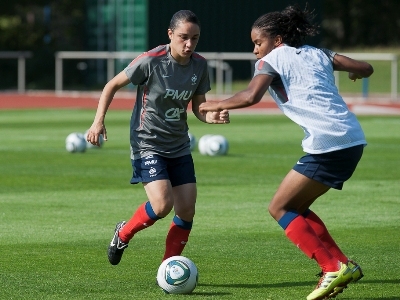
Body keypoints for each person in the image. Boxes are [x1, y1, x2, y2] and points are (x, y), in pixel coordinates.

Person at [199, 4, 373, 300]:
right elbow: (365, 68)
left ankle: (331, 268)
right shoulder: (319, 53)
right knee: (298, 208)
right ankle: (345, 265)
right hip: (352, 138)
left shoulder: (273, 58)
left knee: (279, 208)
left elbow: (251, 95)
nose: (255, 50)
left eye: (258, 42)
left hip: (327, 142)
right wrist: (355, 74)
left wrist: (211, 104)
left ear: (277, 40)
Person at [86, 10, 229, 266]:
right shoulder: (151, 61)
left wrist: (211, 118)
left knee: (186, 210)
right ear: (170, 34)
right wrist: (98, 121)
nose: (189, 44)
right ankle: (123, 233)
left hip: (179, 145)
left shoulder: (199, 65)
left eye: (195, 38)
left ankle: (168, 267)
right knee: (162, 205)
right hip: (147, 142)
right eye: (183, 37)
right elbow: (111, 85)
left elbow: (198, 109)